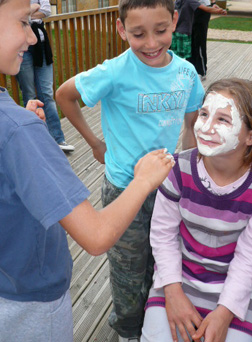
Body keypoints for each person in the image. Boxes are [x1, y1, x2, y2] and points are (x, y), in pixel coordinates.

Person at [0, 0, 175, 341]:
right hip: (30, 302)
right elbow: (95, 238)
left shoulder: (14, 126)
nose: (33, 38)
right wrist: (143, 180)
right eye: (23, 22)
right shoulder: (17, 130)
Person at [55, 0, 205, 340]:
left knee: (164, 260)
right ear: (122, 30)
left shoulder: (186, 73)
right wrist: (95, 141)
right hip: (124, 190)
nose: (151, 43)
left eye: (161, 31)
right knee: (127, 269)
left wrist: (190, 167)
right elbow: (65, 95)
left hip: (169, 189)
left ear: (175, 21)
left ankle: (155, 320)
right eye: (138, 34)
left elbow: (190, 124)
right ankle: (127, 330)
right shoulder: (114, 71)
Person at [141, 78, 252, 342]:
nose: (207, 126)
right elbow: (163, 235)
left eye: (223, 119)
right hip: (177, 278)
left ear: (250, 136)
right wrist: (173, 292)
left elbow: (248, 259)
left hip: (235, 290)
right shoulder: (178, 169)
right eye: (204, 114)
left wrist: (224, 313)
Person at [16, 0, 74, 152]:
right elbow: (11, 14)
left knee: (47, 94)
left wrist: (24, 15)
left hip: (41, 47)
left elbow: (47, 10)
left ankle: (57, 139)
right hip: (22, 47)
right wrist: (31, 13)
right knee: (29, 95)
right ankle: (37, 142)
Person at [188, 0, 218, 80]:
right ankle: (191, 68)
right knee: (190, 41)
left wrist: (213, 4)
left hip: (202, 10)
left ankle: (201, 71)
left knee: (199, 41)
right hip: (190, 9)